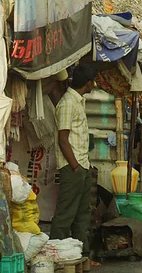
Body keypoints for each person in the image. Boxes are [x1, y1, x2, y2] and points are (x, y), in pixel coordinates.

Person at [50, 64, 100, 266]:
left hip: (81, 165)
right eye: (93, 81)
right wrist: (75, 167)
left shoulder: (77, 101)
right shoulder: (68, 103)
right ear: (88, 83)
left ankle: (82, 257)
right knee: (65, 215)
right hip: (74, 167)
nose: (94, 84)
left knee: (82, 215)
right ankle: (56, 257)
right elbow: (63, 139)